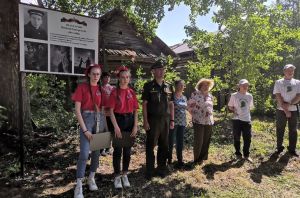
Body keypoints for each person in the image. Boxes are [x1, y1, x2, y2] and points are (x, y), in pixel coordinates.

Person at [72, 64, 105, 198]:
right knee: (85, 153)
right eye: (94, 73)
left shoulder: (101, 89)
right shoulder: (82, 87)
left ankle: (91, 178)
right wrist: (85, 130)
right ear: (89, 74)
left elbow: (105, 108)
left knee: (97, 153)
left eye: (98, 74)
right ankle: (79, 184)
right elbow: (77, 110)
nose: (96, 76)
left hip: (99, 119)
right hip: (86, 119)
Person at [142, 60, 174, 180]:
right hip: (153, 120)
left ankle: (161, 168)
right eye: (158, 70)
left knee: (164, 145)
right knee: (150, 145)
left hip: (165, 120)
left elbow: (171, 104)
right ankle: (149, 170)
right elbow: (144, 104)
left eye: (163, 69)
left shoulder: (169, 86)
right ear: (153, 72)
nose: (161, 72)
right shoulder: (148, 86)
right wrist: (145, 121)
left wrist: (172, 120)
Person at [108, 66, 139, 189]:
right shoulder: (114, 92)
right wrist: (115, 127)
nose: (125, 79)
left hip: (130, 121)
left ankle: (125, 173)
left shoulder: (131, 92)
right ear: (119, 78)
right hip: (118, 120)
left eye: (127, 77)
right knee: (117, 150)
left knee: (127, 150)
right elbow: (110, 111)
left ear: (129, 78)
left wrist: (136, 125)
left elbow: (136, 110)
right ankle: (116, 176)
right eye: (122, 77)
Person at [273, 64, 300, 157]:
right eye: (288, 70)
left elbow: (298, 96)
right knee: (280, 129)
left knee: (293, 130)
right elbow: (278, 96)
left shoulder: (297, 82)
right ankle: (279, 147)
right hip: (281, 110)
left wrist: (289, 104)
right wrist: (286, 110)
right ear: (284, 71)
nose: (290, 72)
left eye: (292, 70)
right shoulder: (278, 82)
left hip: (294, 109)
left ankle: (292, 149)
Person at [188, 78, 214, 165]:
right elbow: (189, 107)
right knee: (199, 140)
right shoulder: (195, 94)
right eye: (204, 85)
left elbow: (211, 108)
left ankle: (202, 159)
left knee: (206, 140)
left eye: (207, 85)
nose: (206, 86)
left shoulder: (210, 96)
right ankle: (196, 160)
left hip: (208, 121)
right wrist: (195, 114)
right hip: (198, 120)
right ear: (200, 86)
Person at [228, 79, 254, 162]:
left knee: (247, 138)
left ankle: (246, 155)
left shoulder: (250, 96)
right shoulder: (234, 95)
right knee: (237, 137)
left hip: (247, 120)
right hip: (237, 120)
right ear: (239, 86)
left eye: (247, 85)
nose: (245, 87)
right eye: (243, 85)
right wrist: (234, 111)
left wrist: (245, 113)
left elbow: (250, 107)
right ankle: (238, 154)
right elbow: (230, 106)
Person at [167, 79, 187, 168]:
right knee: (170, 141)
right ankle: (169, 160)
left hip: (182, 122)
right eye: (180, 85)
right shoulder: (172, 96)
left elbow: (186, 108)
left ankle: (180, 160)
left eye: (183, 85)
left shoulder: (184, 97)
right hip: (173, 122)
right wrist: (176, 107)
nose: (182, 87)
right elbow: (168, 108)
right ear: (175, 86)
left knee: (180, 142)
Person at [100, 71, 115, 156]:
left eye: (108, 77)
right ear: (102, 79)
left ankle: (108, 148)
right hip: (102, 112)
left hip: (111, 112)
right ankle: (101, 150)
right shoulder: (100, 88)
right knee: (102, 130)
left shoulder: (112, 88)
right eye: (105, 77)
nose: (107, 78)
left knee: (110, 130)